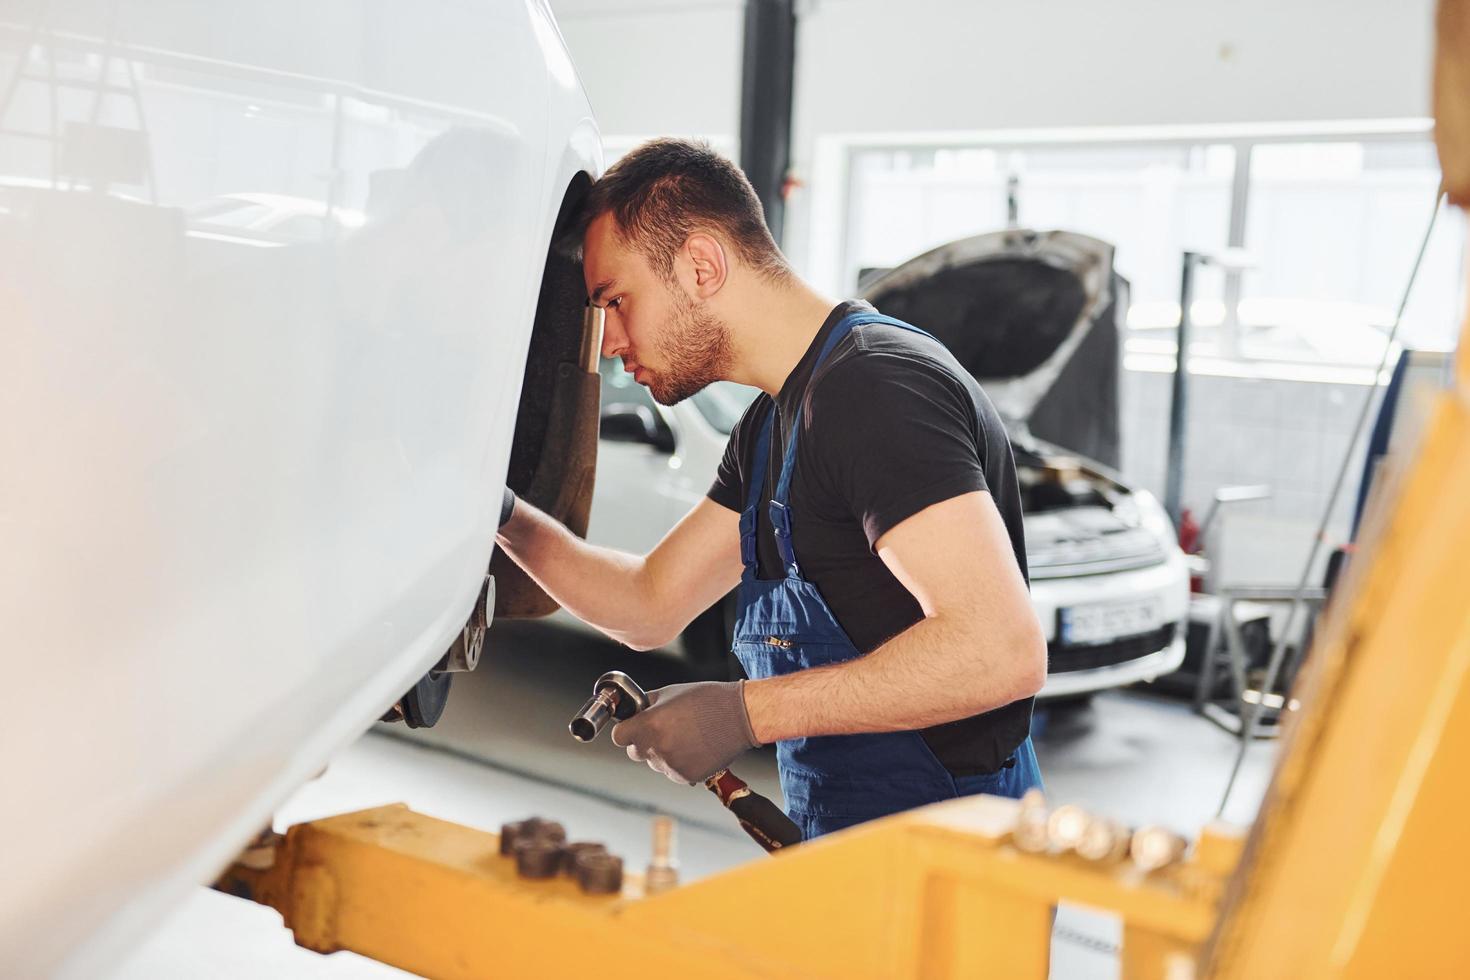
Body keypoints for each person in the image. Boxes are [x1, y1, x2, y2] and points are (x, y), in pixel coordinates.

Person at [496, 138, 1045, 839]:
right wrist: (504, 517)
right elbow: (649, 604)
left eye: (617, 300)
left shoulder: (877, 389)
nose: (607, 340)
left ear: (701, 265)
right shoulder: (771, 424)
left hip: (954, 855)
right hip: (855, 841)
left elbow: (999, 649)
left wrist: (743, 712)